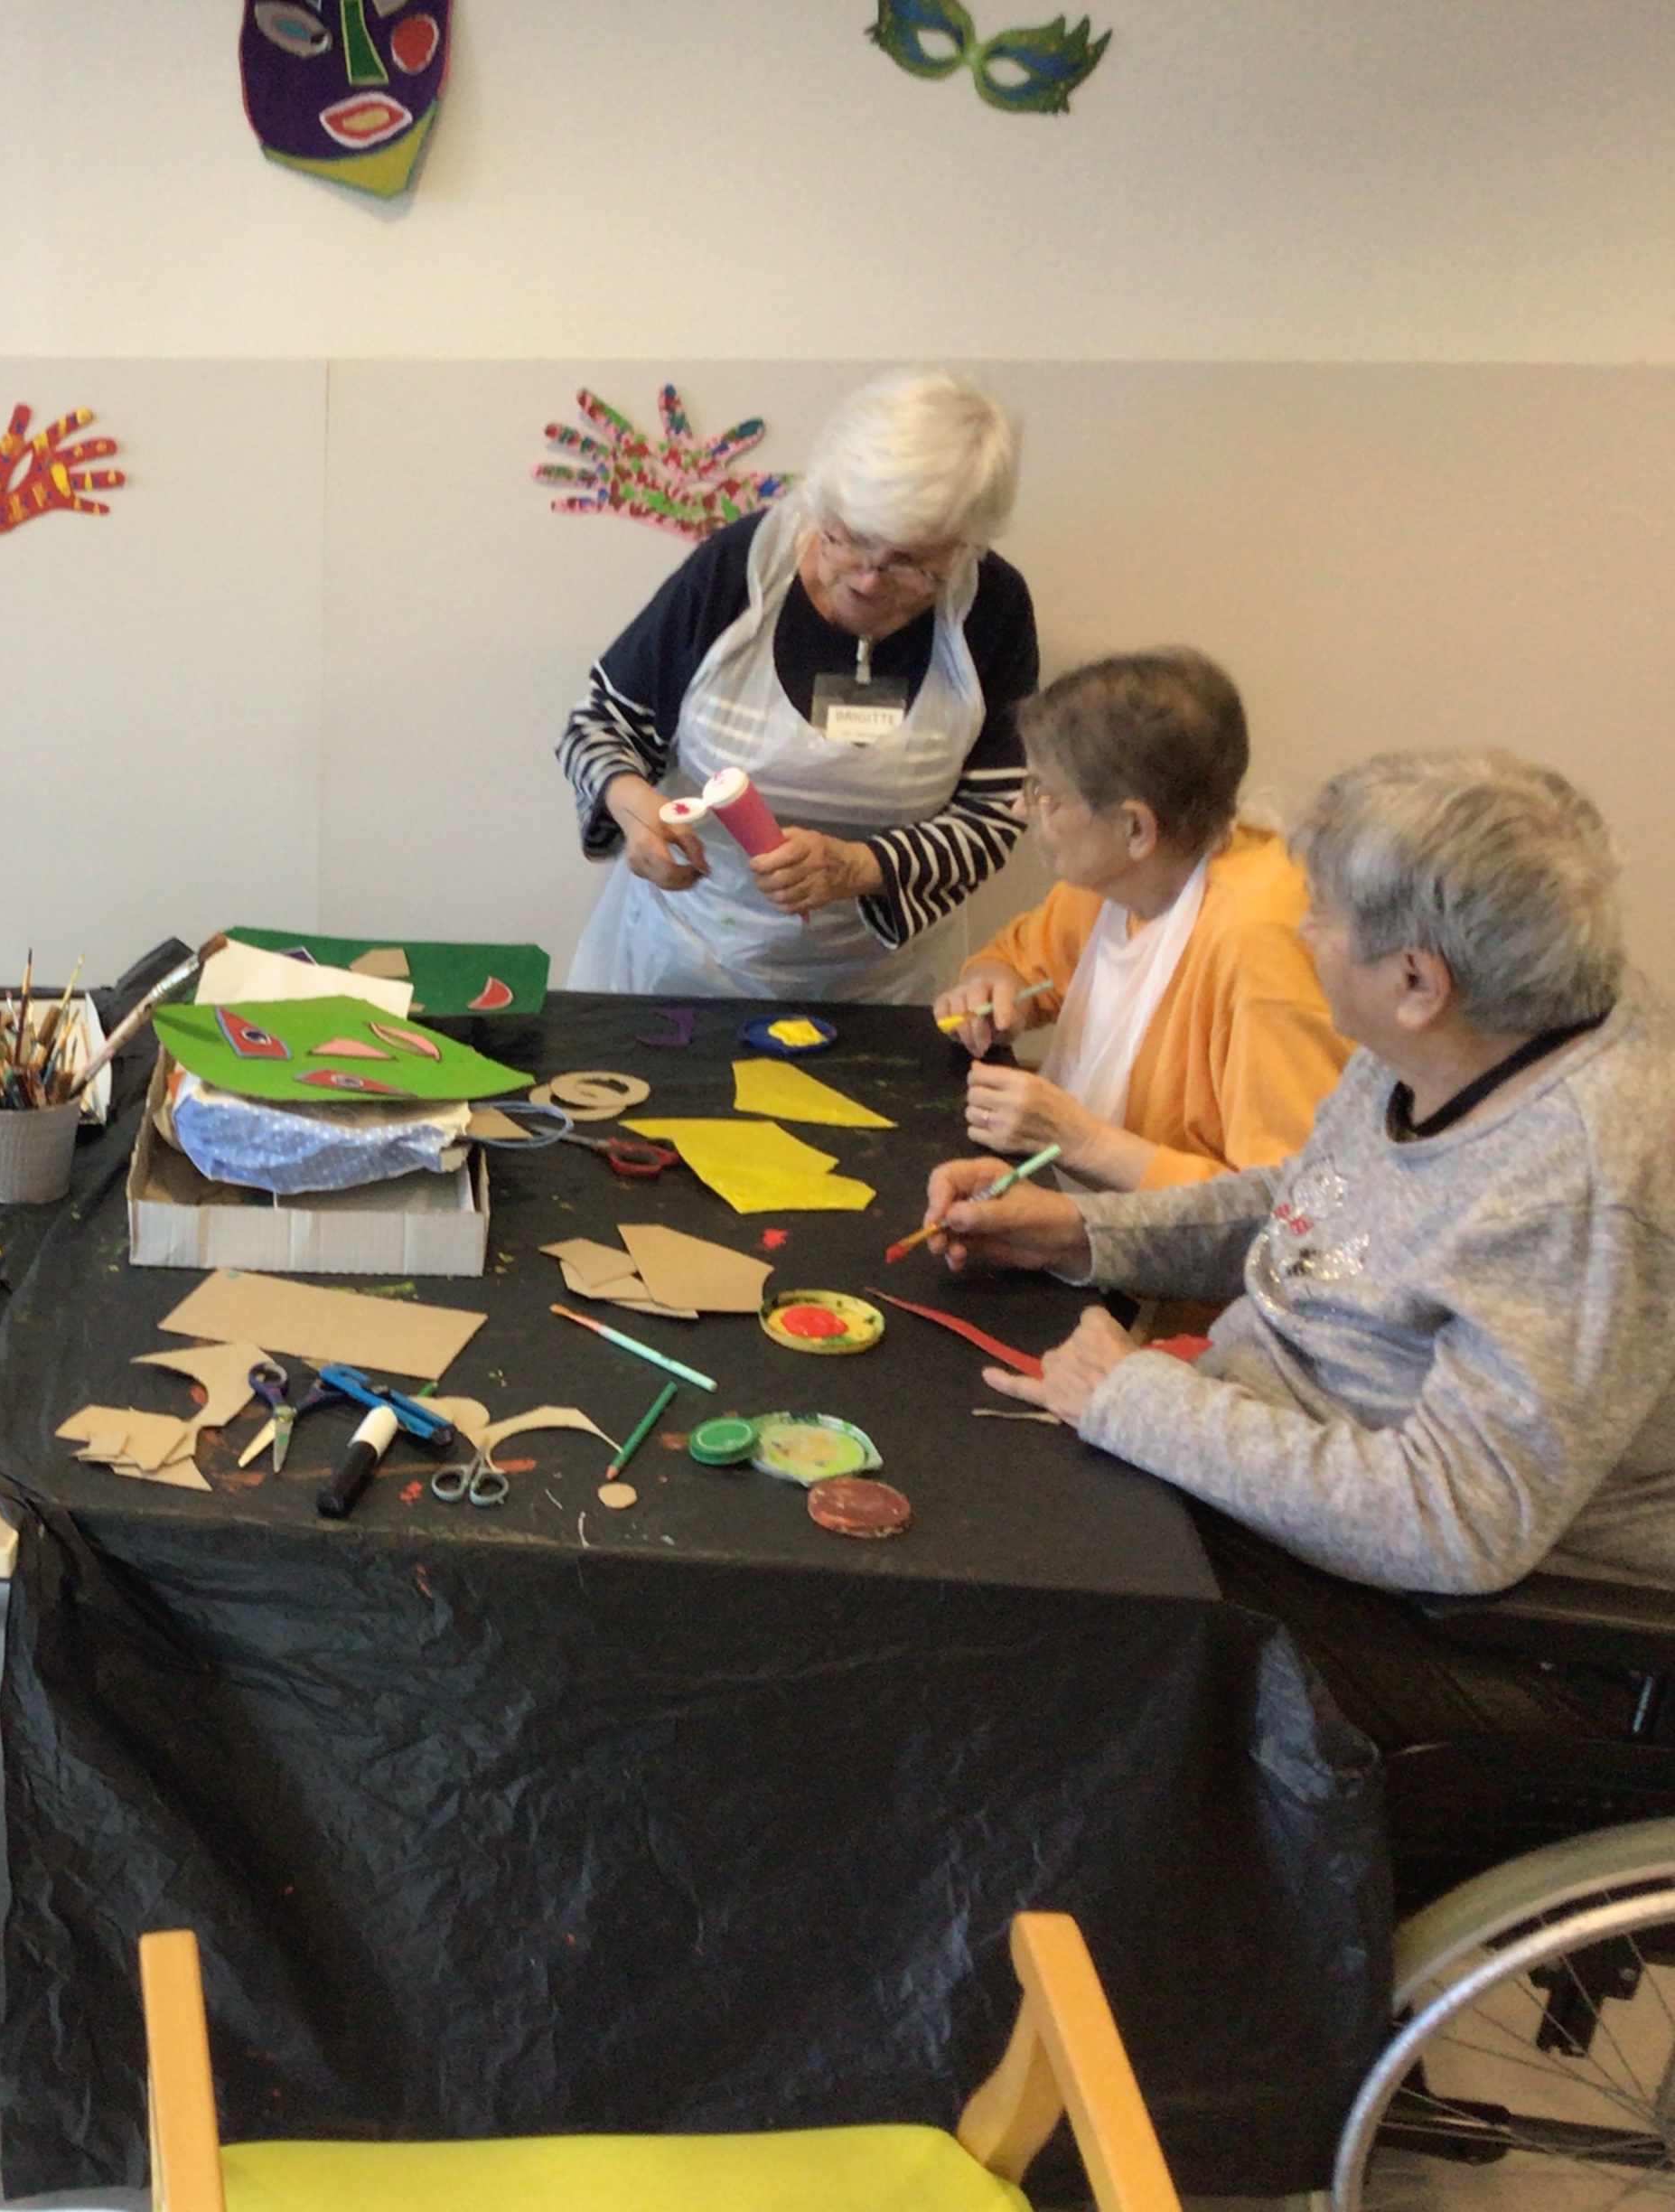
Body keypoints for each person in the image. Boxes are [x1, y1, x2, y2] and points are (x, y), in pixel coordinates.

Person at [922, 751, 1675, 1753]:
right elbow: (1317, 1208)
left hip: (1479, 1633)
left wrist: (1141, 1405)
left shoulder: (1580, 1184)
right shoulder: (1470, 1028)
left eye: (1320, 918)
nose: (1301, 932)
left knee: (995, 1637)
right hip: (1282, 1465)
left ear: (1417, 981)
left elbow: (1456, 1523)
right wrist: (1082, 1232)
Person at [557, 367, 1039, 1001]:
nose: (867, 580)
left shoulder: (992, 609)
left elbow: (998, 810)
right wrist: (632, 810)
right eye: (850, 540)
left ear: (966, 547)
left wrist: (862, 866)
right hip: (688, 963)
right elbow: (598, 726)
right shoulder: (739, 568)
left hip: (881, 988)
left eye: (910, 563)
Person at [931, 650, 1350, 1190]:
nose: (1021, 808)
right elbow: (1018, 961)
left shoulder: (1259, 945)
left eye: (1045, 794)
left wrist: (1082, 1141)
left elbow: (1290, 1197)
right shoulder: (1117, 883)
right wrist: (994, 987)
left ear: (1135, 829)